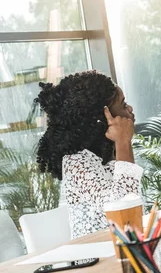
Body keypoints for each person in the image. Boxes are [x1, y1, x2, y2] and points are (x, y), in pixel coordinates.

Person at [36, 71, 142, 239]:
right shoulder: (75, 163)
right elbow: (124, 205)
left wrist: (121, 143)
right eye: (123, 104)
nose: (130, 109)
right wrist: (123, 140)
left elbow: (131, 209)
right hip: (95, 258)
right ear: (102, 117)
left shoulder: (107, 152)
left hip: (121, 248)